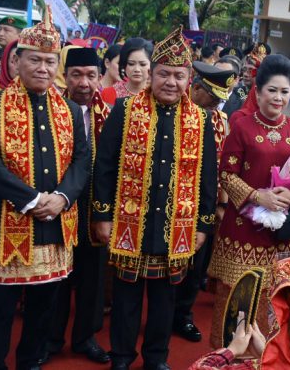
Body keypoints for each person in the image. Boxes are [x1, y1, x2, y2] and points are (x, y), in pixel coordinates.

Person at [91, 27, 217, 370]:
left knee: (164, 301)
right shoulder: (126, 110)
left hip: (176, 226)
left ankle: (156, 359)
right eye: (163, 73)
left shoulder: (201, 120)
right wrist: (101, 215)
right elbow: (104, 165)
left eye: (179, 75)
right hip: (130, 223)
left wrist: (204, 224)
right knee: (127, 298)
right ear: (151, 74)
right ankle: (121, 357)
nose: (171, 82)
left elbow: (208, 176)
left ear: (189, 78)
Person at [0, 8, 90, 370]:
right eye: (35, 60)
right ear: (17, 61)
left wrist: (63, 197)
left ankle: (30, 362)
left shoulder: (69, 110)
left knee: (44, 307)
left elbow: (82, 159)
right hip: (8, 223)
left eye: (49, 61)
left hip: (56, 224)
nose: (42, 68)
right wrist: (33, 199)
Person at [207, 54, 290, 348]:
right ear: (258, 91)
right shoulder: (242, 125)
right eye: (272, 90)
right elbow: (226, 174)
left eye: (285, 91)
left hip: (278, 236)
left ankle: (262, 362)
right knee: (235, 300)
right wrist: (257, 195)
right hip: (241, 231)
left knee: (271, 304)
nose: (278, 98)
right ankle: (223, 360)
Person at [45, 47, 113, 365]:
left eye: (90, 75)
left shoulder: (111, 115)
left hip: (97, 208)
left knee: (93, 279)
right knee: (57, 279)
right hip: (60, 207)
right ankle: (51, 338)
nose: (84, 83)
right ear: (66, 77)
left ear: (100, 78)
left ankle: (85, 337)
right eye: (76, 75)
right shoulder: (51, 112)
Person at [172, 60, 237, 343]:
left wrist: (220, 205)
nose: (215, 105)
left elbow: (224, 166)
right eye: (212, 97)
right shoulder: (174, 113)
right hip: (174, 202)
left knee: (195, 266)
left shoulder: (220, 121)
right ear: (195, 88)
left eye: (220, 100)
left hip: (204, 206)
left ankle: (182, 317)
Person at [101, 38, 153, 107]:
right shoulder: (108, 93)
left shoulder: (157, 98)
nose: (137, 69)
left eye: (142, 64)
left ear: (151, 65)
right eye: (131, 64)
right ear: (124, 65)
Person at [223, 43, 268, 120]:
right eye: (244, 70)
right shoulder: (235, 92)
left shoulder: (266, 97)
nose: (246, 74)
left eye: (250, 71)